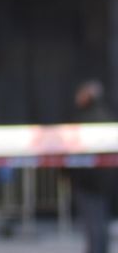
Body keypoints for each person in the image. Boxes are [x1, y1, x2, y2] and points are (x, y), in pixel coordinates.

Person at [71, 80, 116, 253]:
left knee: (94, 225)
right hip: (105, 181)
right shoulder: (107, 116)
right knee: (100, 223)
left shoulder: (84, 119)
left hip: (88, 181)